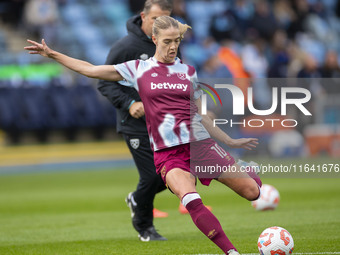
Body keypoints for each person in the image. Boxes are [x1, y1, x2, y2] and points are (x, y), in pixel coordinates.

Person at [25, 16, 262, 255]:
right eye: (167, 41)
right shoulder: (138, 69)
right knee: (190, 199)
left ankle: (246, 171)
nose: (172, 47)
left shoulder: (188, 72)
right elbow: (91, 70)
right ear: (154, 39)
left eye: (176, 41)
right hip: (169, 155)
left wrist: (228, 140)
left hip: (200, 146)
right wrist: (53, 54)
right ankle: (231, 252)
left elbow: (200, 115)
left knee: (253, 191)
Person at [97, 0, 173, 242]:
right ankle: (145, 228)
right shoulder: (126, 46)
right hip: (135, 124)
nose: (161, 25)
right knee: (151, 176)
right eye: (156, 19)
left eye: (166, 20)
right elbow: (104, 82)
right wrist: (130, 103)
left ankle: (137, 198)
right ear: (143, 16)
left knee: (179, 173)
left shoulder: (169, 44)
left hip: (163, 123)